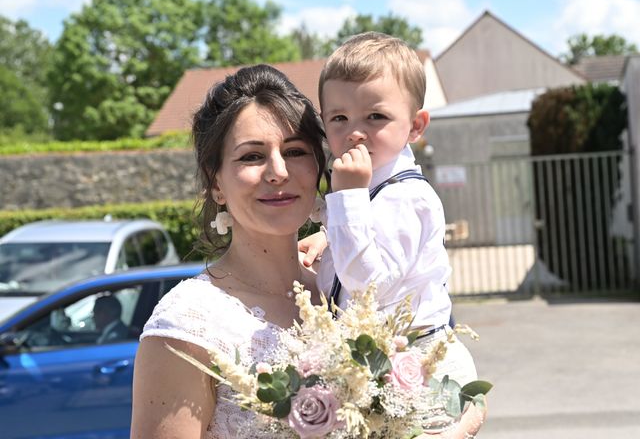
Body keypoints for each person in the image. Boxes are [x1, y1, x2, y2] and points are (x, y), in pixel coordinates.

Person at [130, 63, 485, 439]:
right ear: (216, 182)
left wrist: (465, 413)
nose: (278, 171)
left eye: (295, 151)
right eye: (251, 156)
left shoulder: (348, 290)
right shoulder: (187, 324)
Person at [304, 31, 478, 388]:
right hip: (376, 361)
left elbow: (370, 286)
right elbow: (368, 239)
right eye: (339, 118)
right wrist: (326, 236)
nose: (355, 133)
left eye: (375, 116)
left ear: (415, 126)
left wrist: (348, 198)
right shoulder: (373, 190)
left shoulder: (408, 197)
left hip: (417, 367)